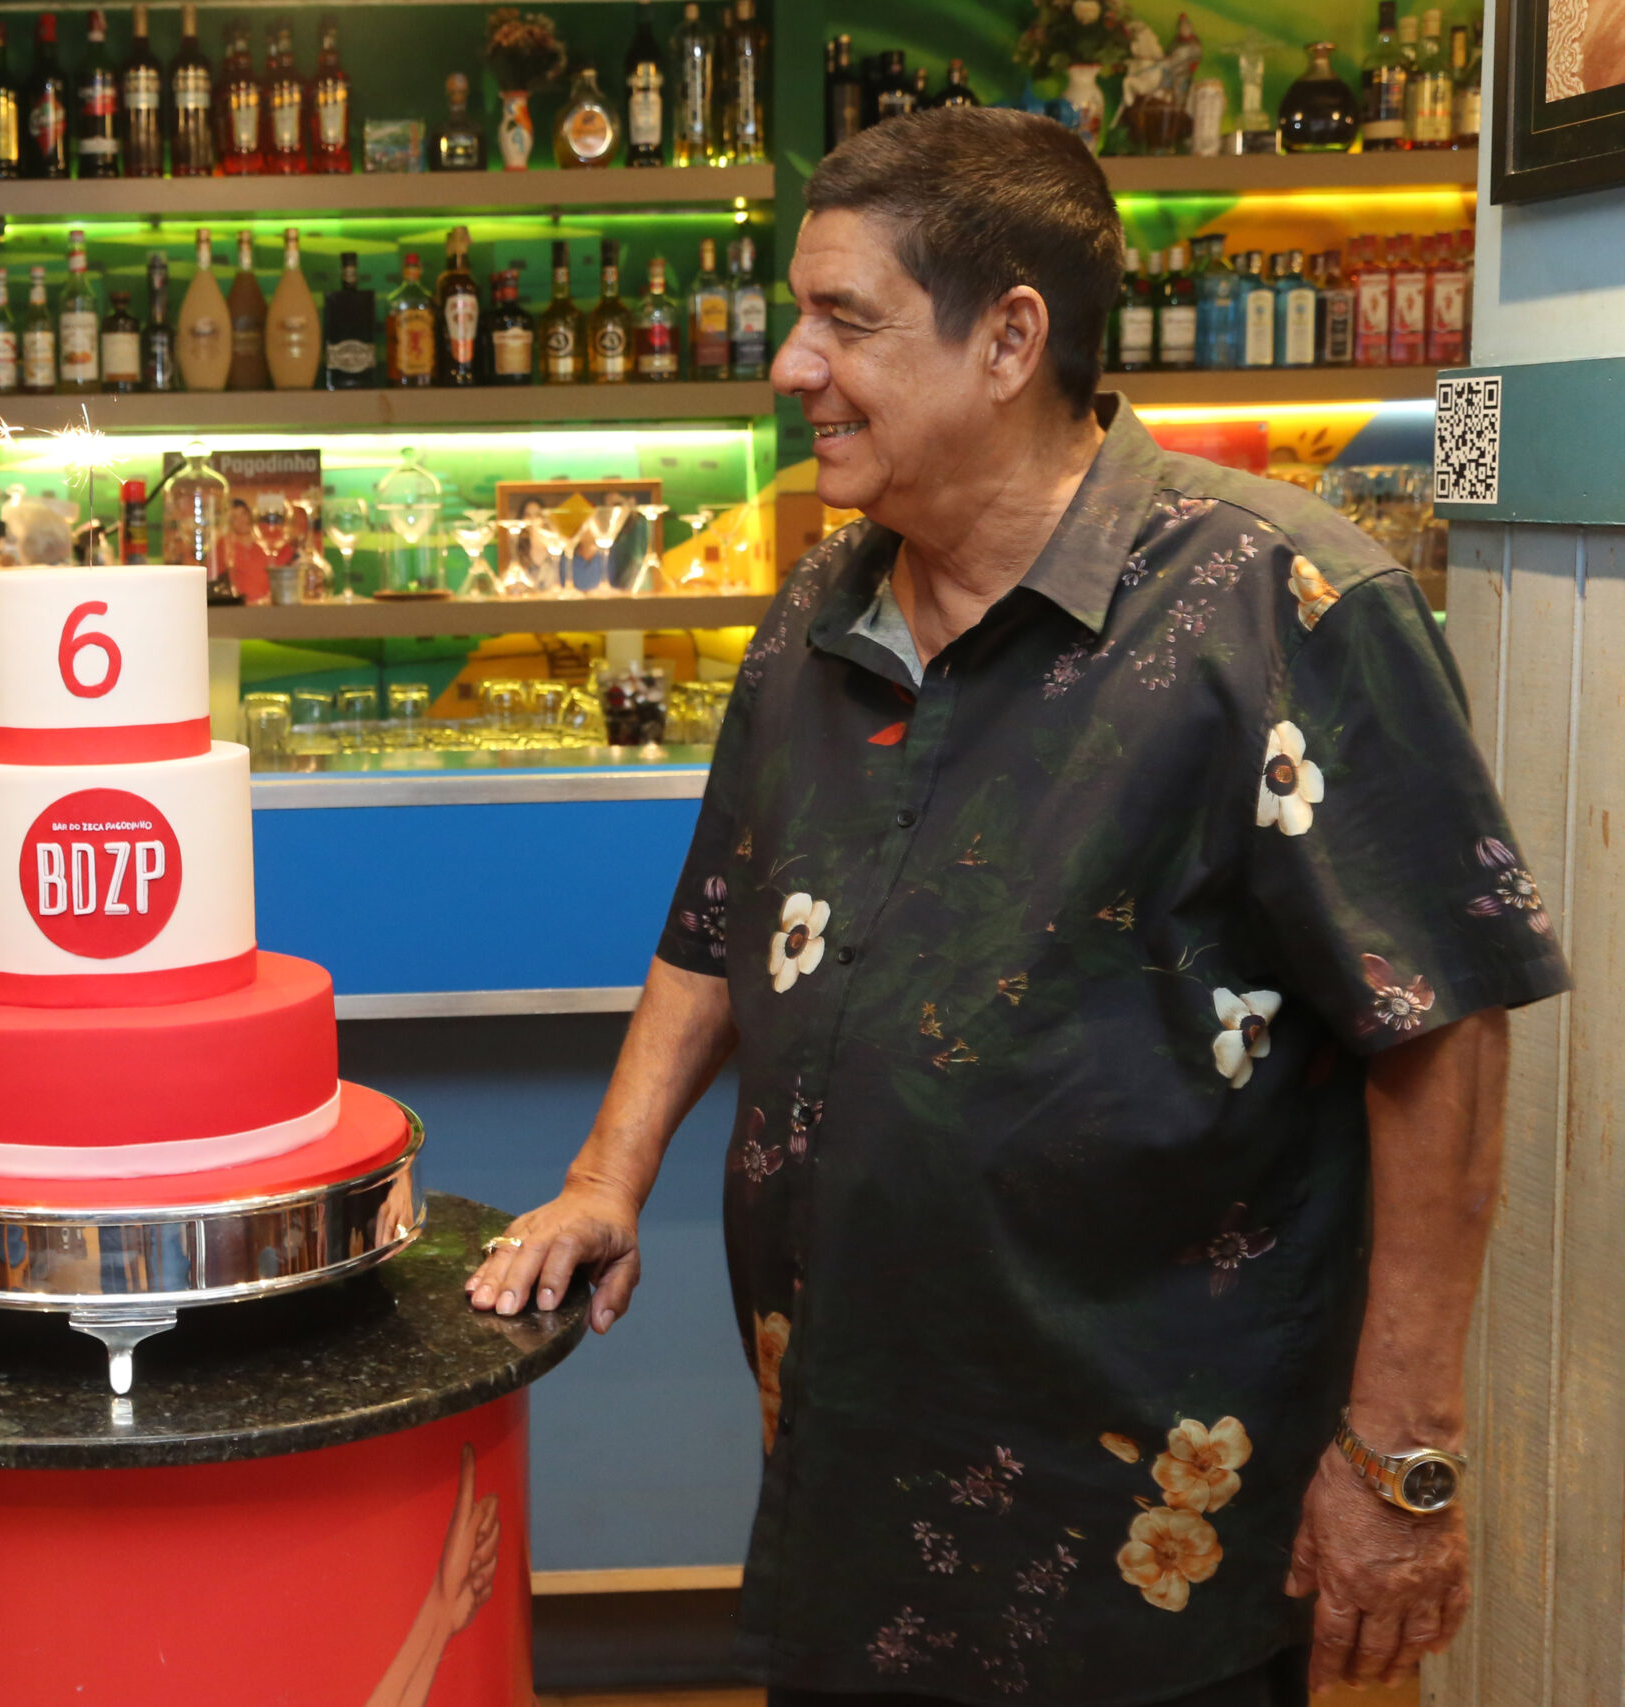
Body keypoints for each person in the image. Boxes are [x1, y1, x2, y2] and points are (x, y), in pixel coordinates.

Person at [469, 107, 1565, 1707]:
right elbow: (718, 920)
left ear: (1010, 340)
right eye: (797, 314)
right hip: (853, 1475)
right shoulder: (817, 614)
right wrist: (602, 1177)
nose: (791, 364)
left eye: (845, 319)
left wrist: (1403, 1458)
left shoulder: (1284, 606)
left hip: (1141, 1530)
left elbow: (1439, 1029)